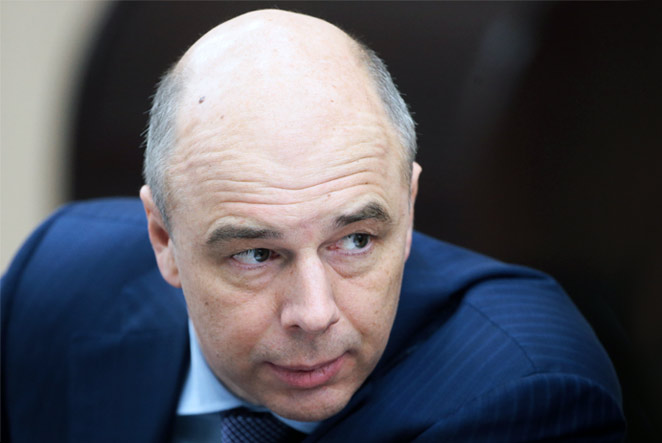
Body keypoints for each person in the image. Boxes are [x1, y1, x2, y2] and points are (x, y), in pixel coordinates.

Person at [1, 9, 625, 442]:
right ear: (163, 239)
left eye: (355, 240)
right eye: (256, 254)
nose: (315, 313)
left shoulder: (526, 389)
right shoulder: (56, 283)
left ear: (407, 208)